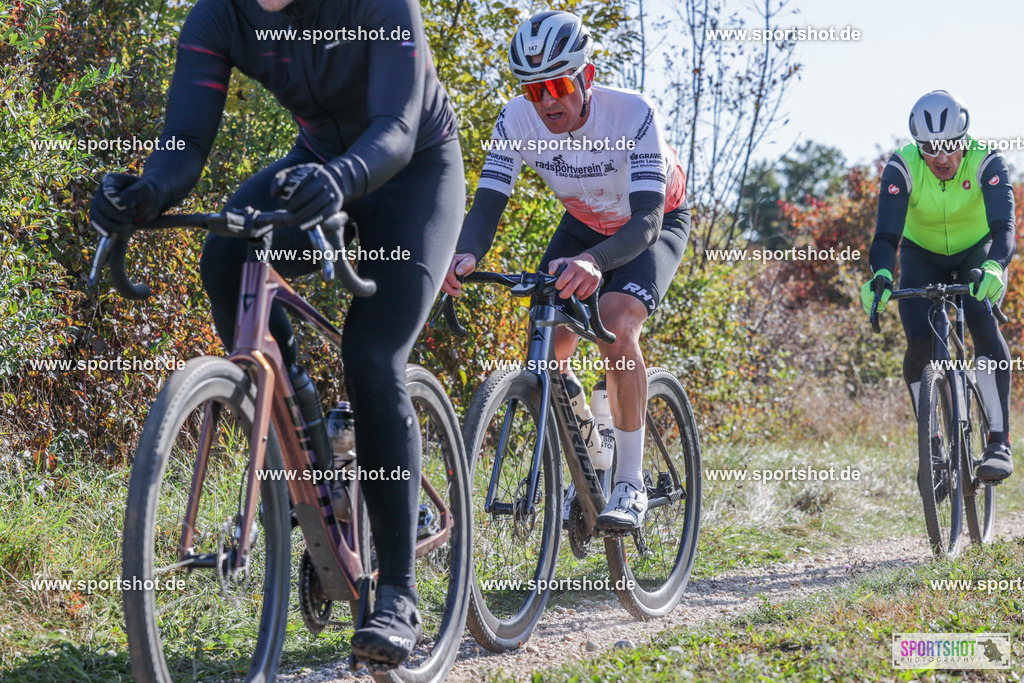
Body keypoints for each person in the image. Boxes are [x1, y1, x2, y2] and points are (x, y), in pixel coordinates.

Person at [87, 0, 465, 665]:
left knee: (372, 354)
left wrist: (342, 179)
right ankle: (308, 443)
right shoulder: (218, 17)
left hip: (414, 173)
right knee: (227, 255)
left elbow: (398, 125)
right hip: (319, 163)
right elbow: (185, 143)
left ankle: (399, 592)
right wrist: (146, 193)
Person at [442, 10, 690, 530]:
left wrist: (596, 262)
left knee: (616, 325)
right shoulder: (514, 119)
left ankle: (629, 482)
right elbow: (488, 202)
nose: (548, 100)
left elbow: (646, 219)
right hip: (583, 222)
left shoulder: (632, 113)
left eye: (558, 84)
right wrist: (462, 255)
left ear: (588, 76)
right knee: (547, 343)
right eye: (535, 91)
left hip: (652, 219)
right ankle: (590, 437)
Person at [862, 90, 1015, 481]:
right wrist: (880, 274)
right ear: (919, 146)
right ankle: (930, 449)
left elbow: (1004, 230)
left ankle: (999, 440)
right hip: (921, 254)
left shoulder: (987, 161)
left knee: (982, 318)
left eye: (950, 147)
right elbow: (885, 239)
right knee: (918, 340)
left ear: (964, 140)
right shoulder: (902, 167)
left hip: (978, 252)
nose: (941, 158)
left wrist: (996, 267)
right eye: (930, 148)